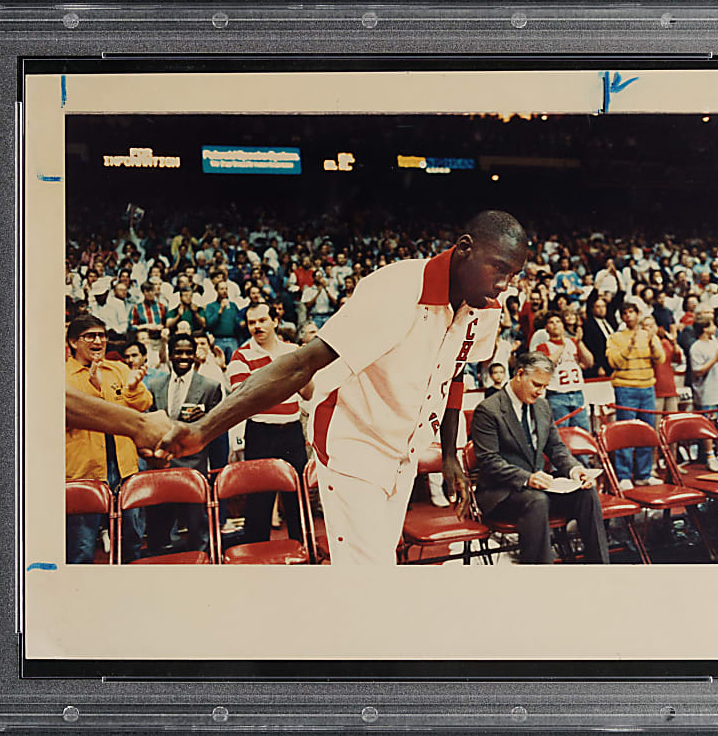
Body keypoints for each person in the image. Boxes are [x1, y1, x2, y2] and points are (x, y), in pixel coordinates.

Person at [153, 210, 530, 565]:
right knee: (367, 578)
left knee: (375, 569)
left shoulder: (486, 306)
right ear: (464, 248)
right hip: (354, 445)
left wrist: (448, 455)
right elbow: (300, 364)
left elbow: (456, 373)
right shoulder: (397, 289)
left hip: (403, 451)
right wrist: (205, 428)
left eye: (512, 274)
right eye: (498, 268)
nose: (504, 285)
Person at [470, 352, 607, 564]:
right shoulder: (488, 410)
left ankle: (600, 569)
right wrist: (527, 478)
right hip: (503, 493)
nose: (541, 392)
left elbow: (556, 447)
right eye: (536, 385)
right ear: (520, 374)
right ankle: (540, 579)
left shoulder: (542, 406)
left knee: (586, 492)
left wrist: (574, 470)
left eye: (545, 386)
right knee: (537, 500)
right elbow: (489, 461)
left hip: (539, 489)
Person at [65, 315, 152, 563]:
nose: (98, 341)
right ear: (73, 342)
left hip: (125, 466)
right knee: (82, 545)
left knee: (132, 538)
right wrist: (94, 387)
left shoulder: (119, 369)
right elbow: (72, 415)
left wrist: (134, 389)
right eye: (90, 336)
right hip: (85, 470)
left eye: (102, 335)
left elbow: (144, 404)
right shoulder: (62, 376)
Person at [226, 302, 314, 544]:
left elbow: (307, 393)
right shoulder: (240, 355)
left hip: (292, 431)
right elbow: (246, 399)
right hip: (261, 433)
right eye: (252, 322)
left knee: (298, 496)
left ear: (275, 321)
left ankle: (306, 551)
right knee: (259, 501)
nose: (257, 326)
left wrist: (307, 370)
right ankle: (257, 557)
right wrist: (288, 379)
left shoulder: (294, 350)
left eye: (262, 320)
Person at [144, 333, 222, 555]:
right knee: (159, 533)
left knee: (199, 533)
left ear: (195, 355)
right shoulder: (155, 384)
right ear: (170, 354)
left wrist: (204, 417)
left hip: (193, 469)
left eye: (189, 352)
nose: (184, 357)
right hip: (162, 469)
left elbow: (217, 429)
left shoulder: (210, 387)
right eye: (179, 352)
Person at [606, 302, 666, 490]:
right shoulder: (615, 338)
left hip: (647, 387)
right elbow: (614, 362)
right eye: (625, 313)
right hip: (625, 387)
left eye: (632, 312)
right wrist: (629, 346)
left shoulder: (648, 334)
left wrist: (652, 343)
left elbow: (660, 359)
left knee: (646, 432)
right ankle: (624, 476)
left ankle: (644, 474)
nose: (629, 316)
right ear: (622, 317)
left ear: (637, 314)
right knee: (626, 433)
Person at [535, 312, 594, 433]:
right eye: (551, 322)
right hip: (557, 395)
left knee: (582, 433)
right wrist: (561, 346)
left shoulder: (573, 342)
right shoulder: (543, 346)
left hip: (577, 393)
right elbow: (548, 366)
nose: (555, 325)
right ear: (546, 328)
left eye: (558, 322)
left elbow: (589, 362)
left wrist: (579, 343)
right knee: (561, 434)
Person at [689, 313, 718, 471]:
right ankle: (710, 455)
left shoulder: (714, 342)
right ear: (705, 328)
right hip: (706, 393)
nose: (716, 328)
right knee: (708, 425)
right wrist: (715, 358)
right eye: (713, 325)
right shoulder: (696, 347)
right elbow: (698, 371)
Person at [203, 279, 241, 358]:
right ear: (216, 290)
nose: (224, 291)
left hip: (232, 340)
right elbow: (209, 324)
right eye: (222, 289)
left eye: (226, 289)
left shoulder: (233, 306)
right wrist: (220, 311)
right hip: (218, 340)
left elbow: (238, 321)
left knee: (234, 363)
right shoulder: (211, 306)